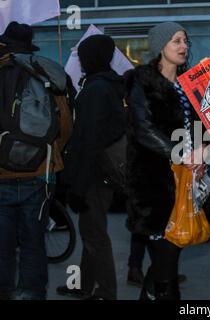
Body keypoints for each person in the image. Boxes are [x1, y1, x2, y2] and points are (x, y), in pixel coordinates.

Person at [125, 22, 205, 300]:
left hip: (188, 180)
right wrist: (183, 154)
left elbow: (197, 125)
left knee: (168, 258)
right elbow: (142, 128)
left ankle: (153, 292)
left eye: (185, 40)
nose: (184, 46)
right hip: (155, 182)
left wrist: (203, 156)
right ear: (161, 46)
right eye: (176, 41)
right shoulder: (141, 80)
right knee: (166, 259)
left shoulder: (188, 82)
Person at [0, 21, 72, 300]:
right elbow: (64, 127)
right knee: (33, 243)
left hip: (1, 174)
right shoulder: (47, 71)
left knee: (3, 245)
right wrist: (48, 154)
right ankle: (32, 294)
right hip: (41, 174)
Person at [56, 34, 126, 300]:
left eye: (83, 56)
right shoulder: (102, 84)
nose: (80, 60)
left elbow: (91, 141)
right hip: (99, 173)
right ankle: (84, 285)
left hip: (94, 175)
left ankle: (107, 292)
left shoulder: (97, 89)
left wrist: (79, 184)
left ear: (93, 57)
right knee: (91, 230)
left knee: (95, 235)